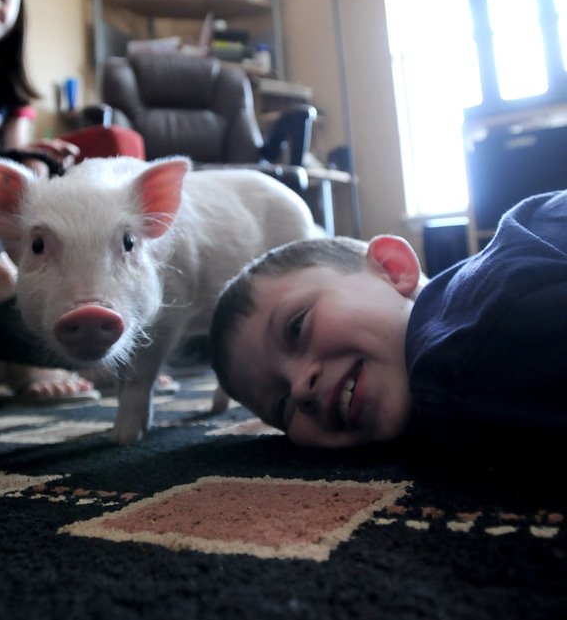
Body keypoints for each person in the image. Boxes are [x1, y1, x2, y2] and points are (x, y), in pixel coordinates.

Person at [209, 189, 567, 451]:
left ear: (393, 269)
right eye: (282, 406)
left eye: (297, 327)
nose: (301, 389)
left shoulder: (463, 365)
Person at [0, 0, 97, 401]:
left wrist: (35, 157)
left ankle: (59, 320)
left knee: (42, 169)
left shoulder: (11, 88)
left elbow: (11, 158)